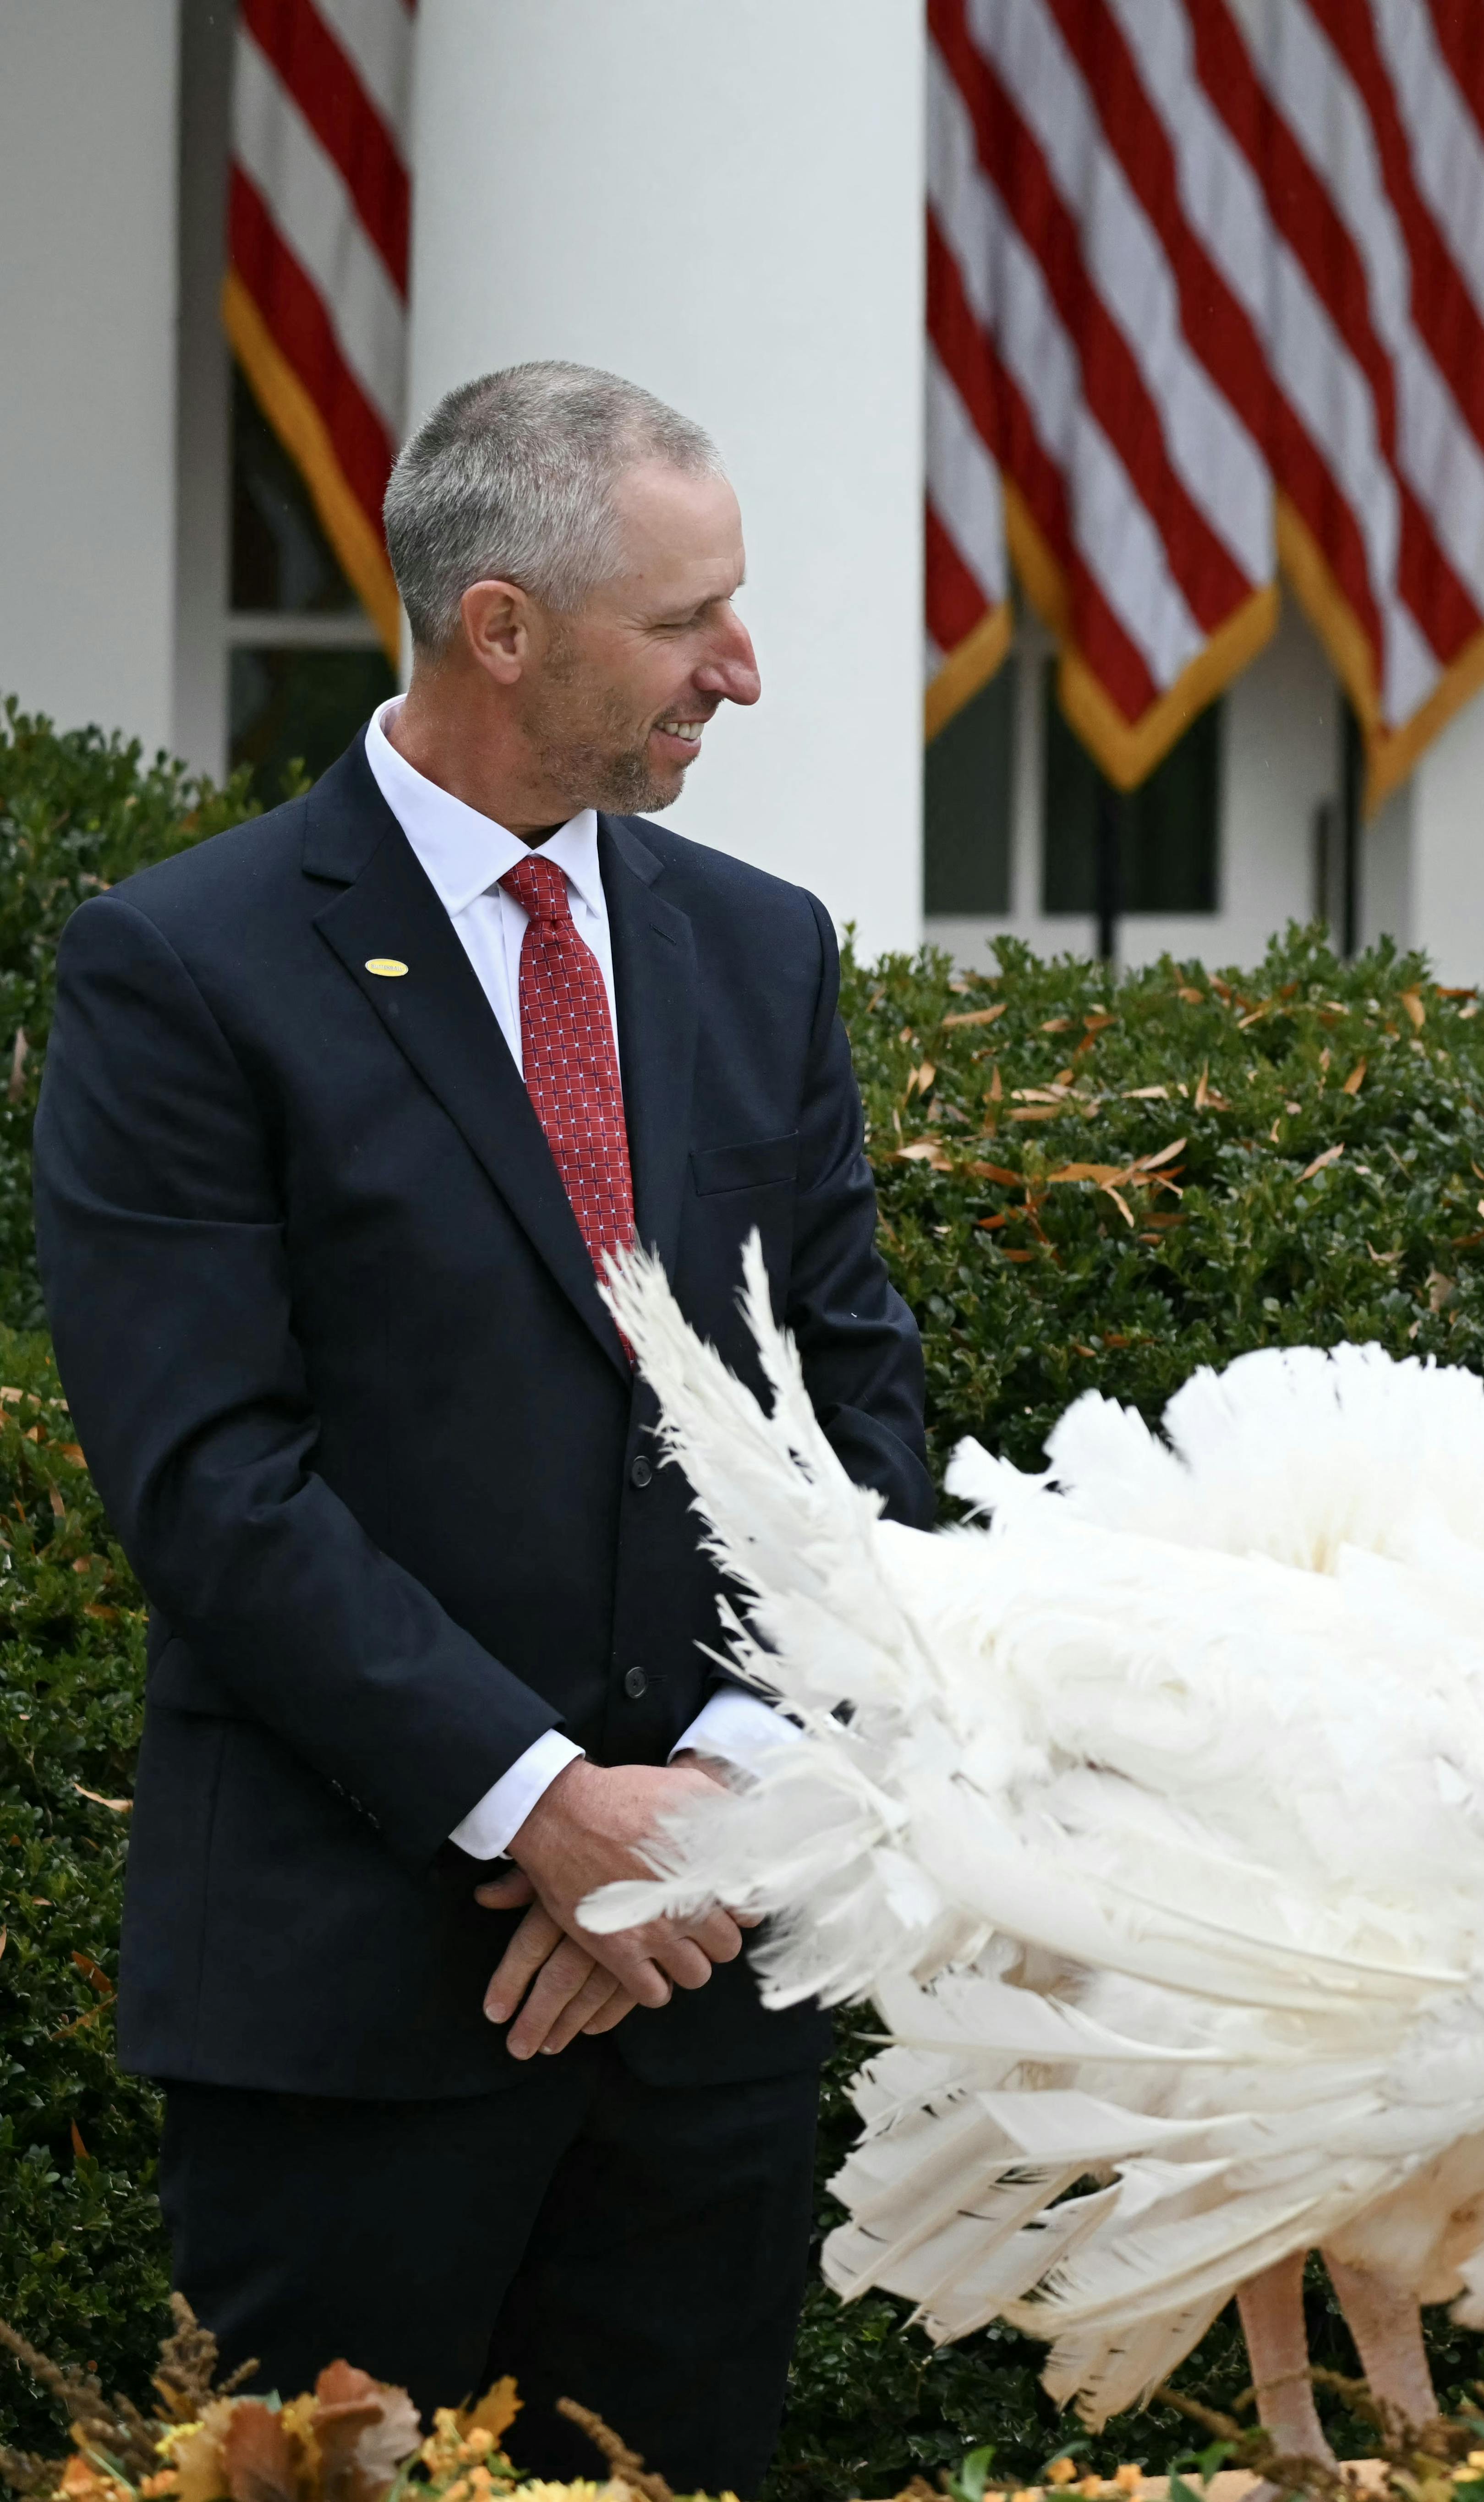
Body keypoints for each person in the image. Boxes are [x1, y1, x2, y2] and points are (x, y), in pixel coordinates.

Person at [36, 362, 932, 2493]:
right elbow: (209, 1477)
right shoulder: (185, 968)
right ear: (500, 627)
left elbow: (858, 1420)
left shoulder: (756, 950)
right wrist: (541, 1806)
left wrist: (703, 1805)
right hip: (348, 2021)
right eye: (685, 620)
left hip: (704, 2007)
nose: (742, 667)